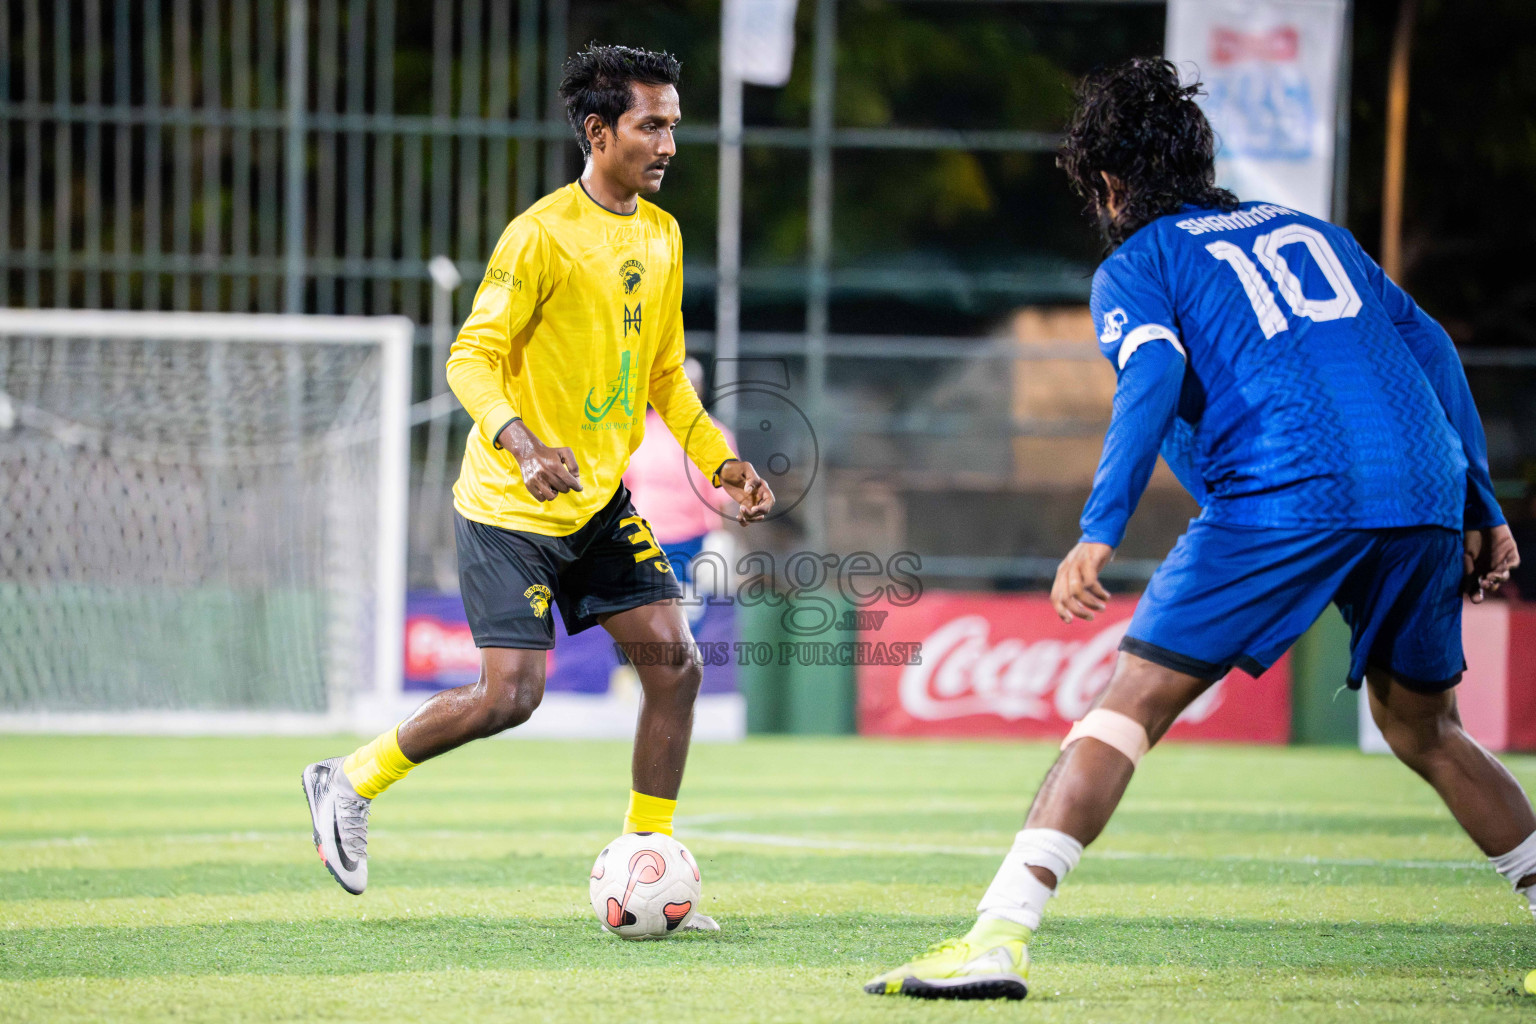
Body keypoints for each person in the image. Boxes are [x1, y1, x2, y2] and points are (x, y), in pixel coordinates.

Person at [866, 57, 1524, 1000]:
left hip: (1288, 483)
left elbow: (1153, 376)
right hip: (1422, 481)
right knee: (1425, 728)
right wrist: (1482, 501)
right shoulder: (1318, 233)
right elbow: (1433, 346)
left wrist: (1100, 527)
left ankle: (995, 938)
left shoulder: (1139, 263)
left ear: (1109, 183)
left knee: (1125, 706)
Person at [302, 45, 775, 925]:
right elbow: (470, 357)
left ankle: (649, 869)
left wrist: (721, 461)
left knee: (673, 667)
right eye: (652, 124)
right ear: (599, 132)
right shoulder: (540, 235)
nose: (669, 141)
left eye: (674, 124)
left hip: (596, 501)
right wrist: (519, 441)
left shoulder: (662, 235)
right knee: (511, 697)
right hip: (507, 508)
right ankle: (346, 780)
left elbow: (668, 377)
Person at [623, 356, 737, 596]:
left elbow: (724, 497)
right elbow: (621, 486)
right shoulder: (638, 430)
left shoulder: (714, 435)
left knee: (684, 621)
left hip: (691, 544)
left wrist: (723, 539)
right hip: (642, 541)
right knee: (636, 620)